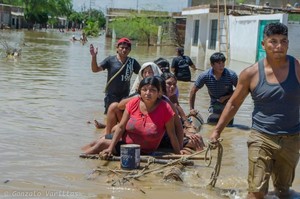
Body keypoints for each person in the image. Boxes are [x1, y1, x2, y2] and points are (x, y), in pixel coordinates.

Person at [210, 22, 300, 198]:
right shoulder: (250, 74)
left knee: (283, 191)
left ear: (288, 44)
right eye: (273, 41)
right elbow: (234, 104)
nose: (279, 46)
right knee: (256, 191)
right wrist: (216, 131)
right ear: (263, 44)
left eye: (283, 41)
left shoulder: (297, 68)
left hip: (292, 138)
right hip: (261, 137)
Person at [82, 76, 182, 155]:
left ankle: (81, 158)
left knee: (101, 144)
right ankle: (77, 155)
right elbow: (121, 127)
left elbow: (172, 134)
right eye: (145, 89)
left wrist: (178, 153)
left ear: (158, 93)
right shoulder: (134, 102)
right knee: (97, 142)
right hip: (125, 141)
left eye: (152, 90)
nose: (148, 93)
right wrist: (110, 148)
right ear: (139, 91)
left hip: (142, 149)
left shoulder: (165, 107)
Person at [98, 62, 162, 133]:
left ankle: (108, 133)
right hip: (135, 118)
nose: (147, 75)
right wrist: (140, 94)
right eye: (145, 72)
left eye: (150, 72)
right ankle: (107, 134)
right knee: (114, 106)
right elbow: (120, 106)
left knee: (115, 128)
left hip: (151, 122)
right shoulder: (139, 89)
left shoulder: (160, 87)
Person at [90, 37, 141, 114]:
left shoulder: (132, 62)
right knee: (109, 116)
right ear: (117, 48)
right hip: (111, 96)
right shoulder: (110, 60)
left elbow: (142, 74)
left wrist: (139, 87)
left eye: (127, 48)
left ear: (130, 50)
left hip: (125, 96)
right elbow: (95, 70)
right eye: (122, 47)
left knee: (123, 116)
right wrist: (94, 57)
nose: (124, 50)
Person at [189, 52, 238, 125]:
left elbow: (240, 90)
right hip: (215, 104)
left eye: (223, 63)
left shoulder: (231, 75)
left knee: (228, 128)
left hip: (229, 105)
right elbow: (193, 91)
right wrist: (191, 109)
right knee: (211, 126)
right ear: (212, 64)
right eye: (218, 63)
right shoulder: (205, 76)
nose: (221, 66)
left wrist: (226, 97)